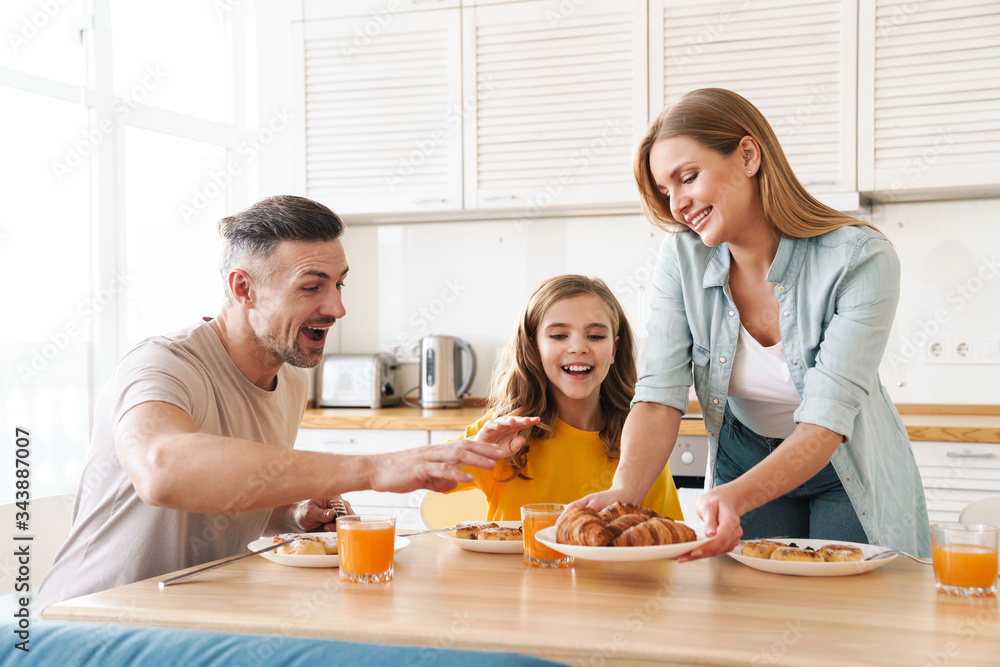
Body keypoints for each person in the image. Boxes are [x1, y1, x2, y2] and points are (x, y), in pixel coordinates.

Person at [36, 195, 537, 614]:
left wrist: (293, 513)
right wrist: (373, 468)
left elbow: (228, 493)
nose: (337, 307)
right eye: (311, 286)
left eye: (338, 284)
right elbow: (163, 470)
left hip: (191, 618)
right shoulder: (162, 364)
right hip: (91, 622)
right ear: (243, 288)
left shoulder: (290, 379)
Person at [574, 88, 930, 559]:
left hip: (845, 465)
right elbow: (660, 394)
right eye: (666, 190)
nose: (677, 203)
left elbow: (825, 421)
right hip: (743, 455)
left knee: (842, 617)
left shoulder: (859, 259)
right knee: (752, 617)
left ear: (747, 155)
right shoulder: (682, 258)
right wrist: (623, 493)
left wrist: (735, 498)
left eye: (688, 177)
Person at [449, 275, 683, 521]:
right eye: (559, 336)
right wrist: (475, 449)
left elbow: (666, 536)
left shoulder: (643, 441)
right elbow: (429, 475)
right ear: (534, 347)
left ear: (614, 350)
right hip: (518, 562)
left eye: (595, 336)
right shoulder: (504, 431)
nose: (578, 347)